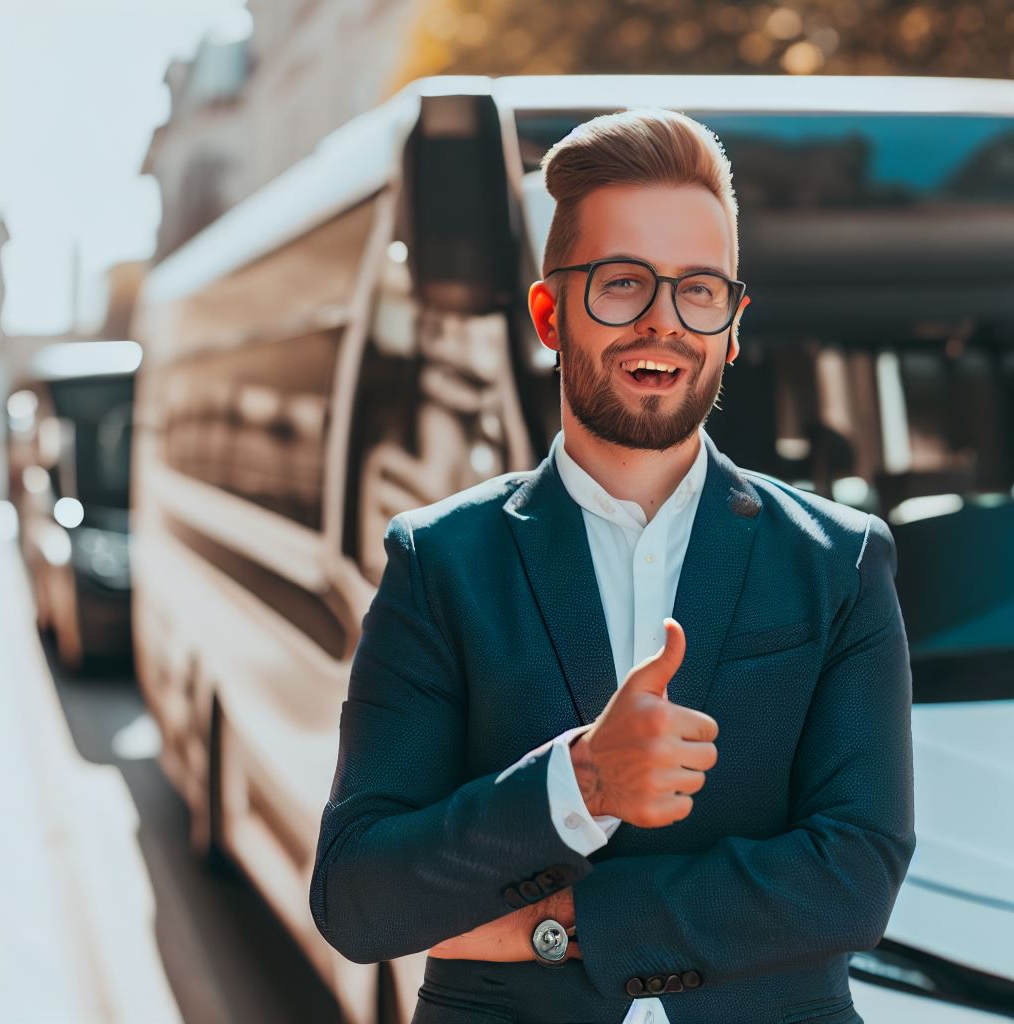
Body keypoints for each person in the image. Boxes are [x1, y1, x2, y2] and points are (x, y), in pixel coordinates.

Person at [309, 108, 915, 1024]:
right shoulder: (438, 562)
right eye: (623, 284)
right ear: (550, 314)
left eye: (698, 290)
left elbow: (855, 878)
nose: (663, 323)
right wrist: (583, 781)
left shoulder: (840, 562)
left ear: (734, 323)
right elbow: (360, 896)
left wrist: (558, 925)